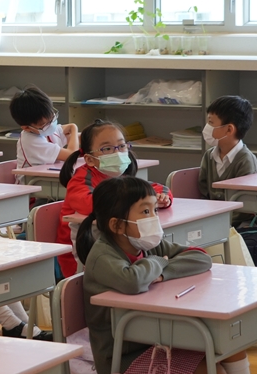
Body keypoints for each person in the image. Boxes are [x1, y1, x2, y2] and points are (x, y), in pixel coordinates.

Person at [80, 176, 254, 374]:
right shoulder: (103, 256)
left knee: (235, 351)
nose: (154, 218)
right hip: (124, 355)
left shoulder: (146, 244)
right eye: (145, 212)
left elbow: (200, 258)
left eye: (154, 210)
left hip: (157, 338)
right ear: (116, 225)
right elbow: (133, 281)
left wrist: (161, 271)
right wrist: (158, 263)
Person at [56, 119, 172, 278]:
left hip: (114, 248)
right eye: (107, 148)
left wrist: (161, 198)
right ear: (89, 159)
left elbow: (158, 188)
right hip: (80, 257)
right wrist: (134, 202)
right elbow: (91, 204)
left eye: (122, 146)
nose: (117, 152)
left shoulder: (121, 177)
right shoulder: (81, 180)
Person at [198, 95, 257, 225]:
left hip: (242, 225)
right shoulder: (209, 156)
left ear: (229, 129)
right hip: (215, 221)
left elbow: (245, 209)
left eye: (211, 123)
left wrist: (217, 223)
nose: (206, 127)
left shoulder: (246, 161)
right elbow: (203, 193)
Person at [9, 86, 79, 180]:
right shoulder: (30, 140)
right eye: (44, 124)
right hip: (32, 184)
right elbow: (71, 155)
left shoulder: (46, 129)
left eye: (52, 117)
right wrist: (74, 127)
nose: (51, 124)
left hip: (48, 181)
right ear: (27, 128)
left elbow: (75, 138)